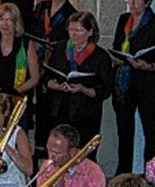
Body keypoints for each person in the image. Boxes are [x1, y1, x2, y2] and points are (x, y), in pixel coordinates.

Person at [110, 0, 155, 175]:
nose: (132, 3)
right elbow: (117, 45)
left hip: (149, 84)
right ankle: (124, 175)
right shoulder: (123, 19)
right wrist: (118, 58)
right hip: (125, 83)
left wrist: (148, 65)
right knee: (124, 133)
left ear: (148, 2)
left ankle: (152, 176)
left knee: (150, 133)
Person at [44, 12, 113, 157]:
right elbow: (47, 76)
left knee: (84, 155)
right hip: (59, 108)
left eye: (79, 30)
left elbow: (105, 90)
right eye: (71, 29)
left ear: (90, 32)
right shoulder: (59, 49)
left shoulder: (100, 56)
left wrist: (84, 89)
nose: (74, 34)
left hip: (85, 113)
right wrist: (52, 84)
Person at [29, 0, 79, 153]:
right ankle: (38, 148)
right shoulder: (42, 7)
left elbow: (69, 41)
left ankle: (52, 148)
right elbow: (32, 28)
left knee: (50, 108)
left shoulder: (71, 14)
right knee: (37, 107)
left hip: (55, 63)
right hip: (36, 59)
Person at [0, 3, 40, 100]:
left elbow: (35, 78)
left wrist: (13, 92)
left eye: (9, 20)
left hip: (19, 99)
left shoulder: (26, 44)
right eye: (1, 19)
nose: (5, 24)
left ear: (16, 22)